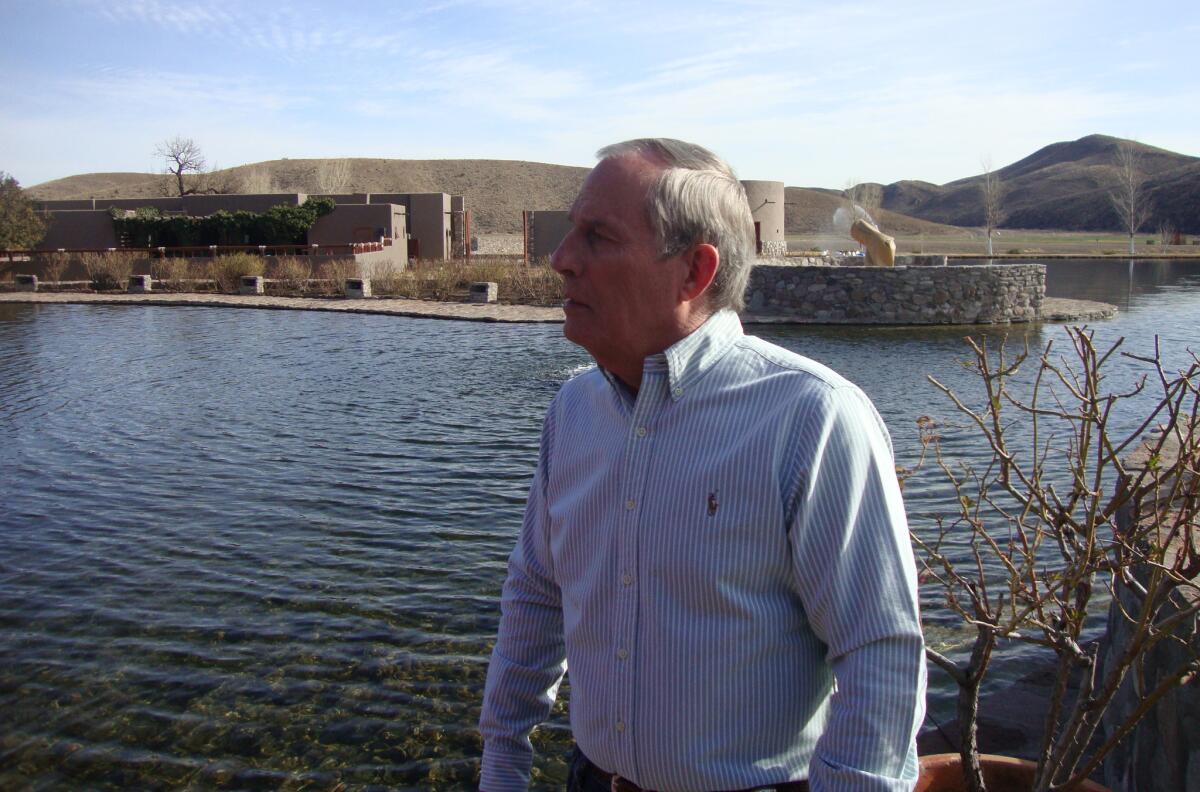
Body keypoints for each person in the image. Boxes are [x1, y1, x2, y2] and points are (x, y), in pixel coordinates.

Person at [479, 138, 925, 792]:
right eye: (571, 233)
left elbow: (878, 658)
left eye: (597, 237)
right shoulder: (574, 411)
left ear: (694, 272)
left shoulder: (810, 418)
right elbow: (536, 598)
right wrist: (502, 768)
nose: (562, 260)